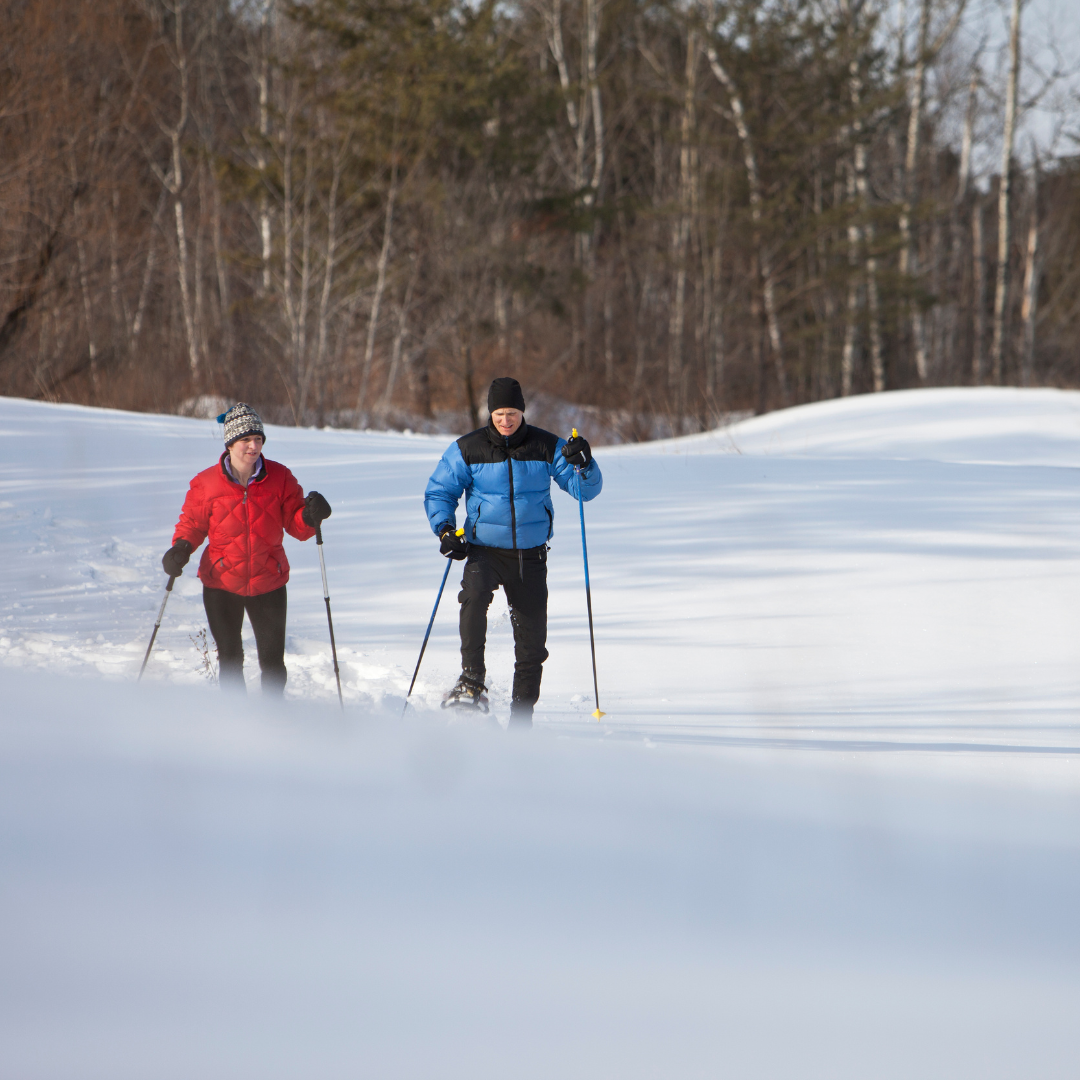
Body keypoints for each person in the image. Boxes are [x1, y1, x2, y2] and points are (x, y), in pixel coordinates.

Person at [424, 377, 602, 724]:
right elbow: (439, 492)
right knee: (473, 599)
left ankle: (522, 713)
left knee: (533, 640)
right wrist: (446, 531)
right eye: (500, 413)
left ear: (523, 411)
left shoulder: (546, 446)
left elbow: (585, 491)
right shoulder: (467, 449)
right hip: (484, 550)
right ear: (490, 413)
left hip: (530, 555)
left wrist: (584, 463)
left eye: (513, 412)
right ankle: (471, 682)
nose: (506, 420)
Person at [161, 402, 331, 696]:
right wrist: (181, 548)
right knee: (230, 658)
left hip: (269, 581)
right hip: (221, 584)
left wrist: (310, 516)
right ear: (230, 443)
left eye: (258, 439)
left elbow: (295, 524)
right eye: (246, 440)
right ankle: (235, 725)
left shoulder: (280, 477)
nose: (253, 447)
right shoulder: (206, 483)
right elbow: (193, 524)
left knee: (273, 663)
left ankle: (272, 720)